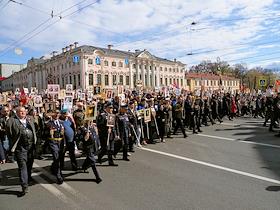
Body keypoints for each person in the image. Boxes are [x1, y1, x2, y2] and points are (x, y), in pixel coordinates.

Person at [6, 106, 37, 196]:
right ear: (17, 113)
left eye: (24, 111)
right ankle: (24, 186)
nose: (23, 113)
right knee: (22, 166)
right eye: (21, 112)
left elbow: (35, 129)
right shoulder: (12, 121)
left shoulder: (30, 119)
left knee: (29, 164)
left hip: (31, 146)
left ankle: (28, 178)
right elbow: (10, 133)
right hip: (20, 148)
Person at [46, 110, 65, 184]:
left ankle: (53, 168)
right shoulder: (48, 123)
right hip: (53, 142)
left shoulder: (61, 122)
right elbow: (44, 134)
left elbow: (63, 134)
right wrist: (49, 132)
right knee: (56, 157)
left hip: (61, 142)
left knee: (59, 158)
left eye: (58, 113)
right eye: (56, 113)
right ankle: (59, 175)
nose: (57, 114)